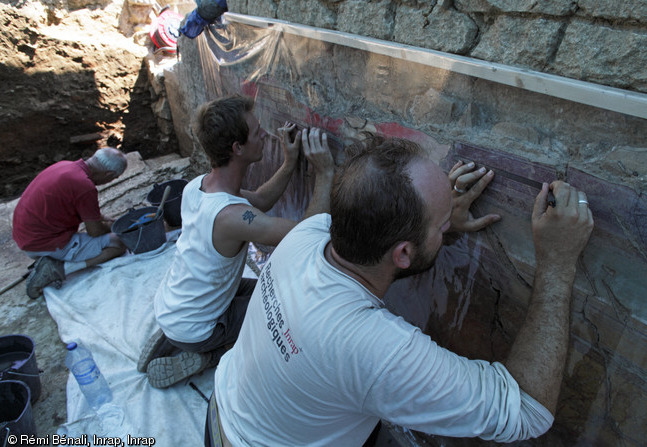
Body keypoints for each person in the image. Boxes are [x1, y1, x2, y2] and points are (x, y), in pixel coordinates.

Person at [206, 136, 594, 446]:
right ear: (404, 252)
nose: (448, 229)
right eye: (442, 228)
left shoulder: (309, 234)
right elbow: (528, 411)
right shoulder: (375, 348)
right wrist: (558, 263)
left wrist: (439, 221)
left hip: (223, 408)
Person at [139, 95, 335, 388]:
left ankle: (176, 338)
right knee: (284, 312)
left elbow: (259, 200)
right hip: (198, 327)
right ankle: (209, 353)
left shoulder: (200, 186)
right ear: (237, 148)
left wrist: (289, 162)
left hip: (175, 306)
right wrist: (326, 173)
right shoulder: (230, 218)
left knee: (272, 290)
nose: (265, 135)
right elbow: (309, 234)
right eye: (257, 132)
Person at [12, 147, 128, 300]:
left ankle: (52, 259)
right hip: (41, 243)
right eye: (113, 179)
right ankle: (59, 268)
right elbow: (95, 232)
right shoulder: (85, 187)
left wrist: (104, 217)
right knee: (118, 243)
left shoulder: (67, 166)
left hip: (25, 235)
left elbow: (79, 205)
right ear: (109, 174)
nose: (111, 181)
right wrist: (118, 227)